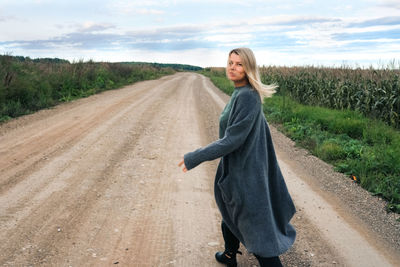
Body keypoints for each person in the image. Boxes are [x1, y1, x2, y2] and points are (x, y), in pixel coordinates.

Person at [178, 47, 296, 267]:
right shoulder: (240, 92)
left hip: (247, 174)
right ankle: (230, 254)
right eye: (230, 62)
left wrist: (195, 157)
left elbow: (232, 140)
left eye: (239, 64)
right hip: (240, 168)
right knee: (230, 214)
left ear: (248, 68)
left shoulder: (248, 97)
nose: (232, 68)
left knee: (259, 235)